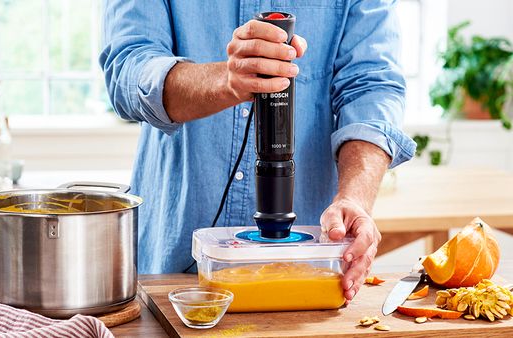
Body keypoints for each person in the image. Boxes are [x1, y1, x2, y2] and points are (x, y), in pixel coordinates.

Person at [100, 0, 416, 302]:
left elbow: (372, 88)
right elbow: (128, 69)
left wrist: (354, 198)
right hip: (170, 268)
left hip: (308, 274)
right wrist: (224, 80)